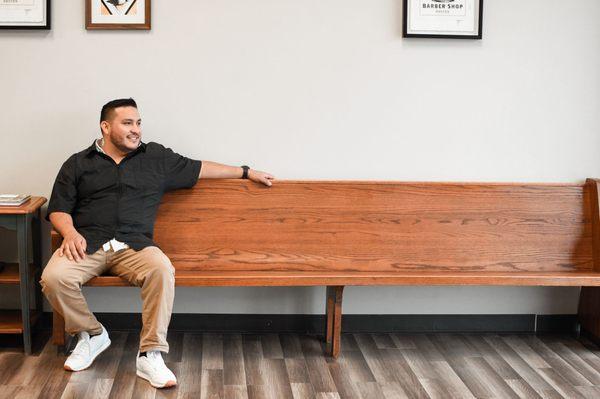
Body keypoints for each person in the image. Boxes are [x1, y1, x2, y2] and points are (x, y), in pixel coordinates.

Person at [40, 98, 274, 389]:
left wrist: (245, 171)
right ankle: (91, 334)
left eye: (138, 123)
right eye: (127, 123)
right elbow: (58, 209)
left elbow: (199, 168)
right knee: (53, 277)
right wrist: (71, 233)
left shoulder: (156, 158)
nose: (136, 129)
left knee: (161, 269)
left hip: (135, 245)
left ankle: (150, 354)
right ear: (105, 126)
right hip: (89, 242)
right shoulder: (77, 163)